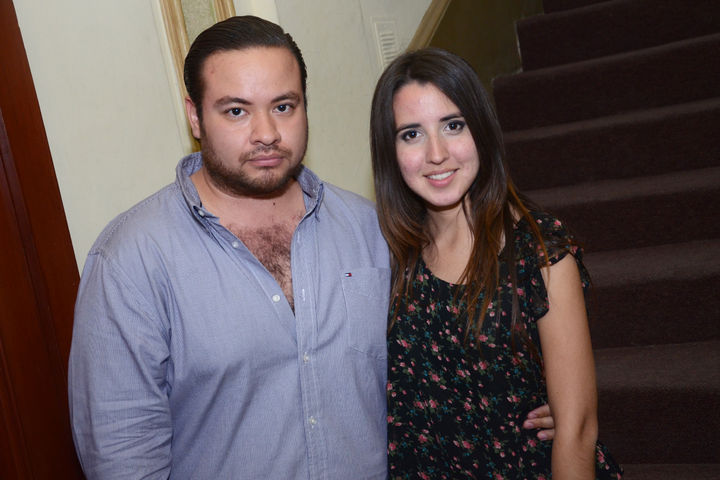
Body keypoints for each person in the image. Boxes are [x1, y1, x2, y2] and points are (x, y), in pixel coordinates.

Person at [68, 17, 554, 479]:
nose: (266, 133)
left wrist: (531, 399)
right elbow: (122, 455)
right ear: (195, 116)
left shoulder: (371, 229)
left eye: (284, 106)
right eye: (236, 111)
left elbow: (436, 355)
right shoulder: (130, 260)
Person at [370, 48, 623, 479]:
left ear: (482, 130)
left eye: (453, 125)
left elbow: (577, 429)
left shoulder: (538, 253)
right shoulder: (389, 253)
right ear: (390, 151)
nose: (436, 153)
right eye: (411, 134)